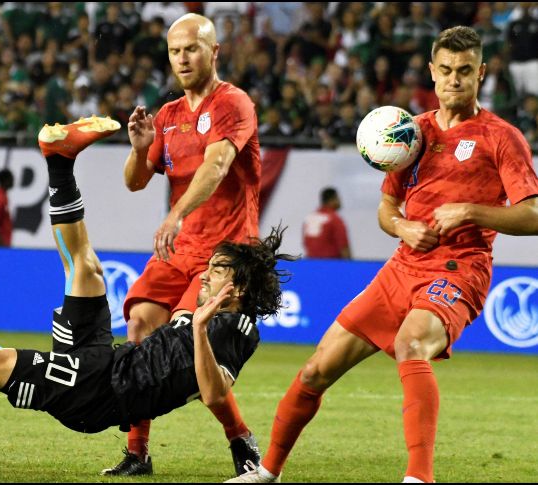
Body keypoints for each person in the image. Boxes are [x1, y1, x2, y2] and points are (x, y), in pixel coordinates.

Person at [0, 119, 296, 480]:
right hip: (105, 362)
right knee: (85, 267)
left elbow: (213, 393)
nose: (207, 276)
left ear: (236, 287)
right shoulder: (207, 310)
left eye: (216, 271)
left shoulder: (235, 331)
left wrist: (198, 330)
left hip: (96, 394)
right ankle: (58, 160)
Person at [228, 26, 538, 484]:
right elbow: (387, 208)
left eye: (466, 71)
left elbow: (532, 215)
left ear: (482, 74)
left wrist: (472, 211)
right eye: (446, 70)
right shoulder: (410, 133)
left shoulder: (501, 137)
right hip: (401, 268)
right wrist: (402, 226)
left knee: (411, 344)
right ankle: (267, 471)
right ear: (432, 72)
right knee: (316, 369)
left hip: (459, 268)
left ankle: (419, 478)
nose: (455, 79)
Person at [115, 13, 262, 477]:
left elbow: (217, 167)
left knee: (188, 352)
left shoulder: (232, 104)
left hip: (226, 255)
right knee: (138, 328)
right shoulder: (169, 116)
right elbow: (135, 183)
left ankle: (242, 442)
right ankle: (137, 452)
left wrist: (175, 214)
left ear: (213, 52)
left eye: (192, 48)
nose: (182, 57)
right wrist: (140, 149)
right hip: (179, 252)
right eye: (175, 50)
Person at [302, 187, 351, 259]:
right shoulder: (334, 219)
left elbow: (306, 242)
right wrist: (349, 265)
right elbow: (343, 246)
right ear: (333, 199)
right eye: (338, 198)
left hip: (311, 263)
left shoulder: (310, 218)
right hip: (331, 264)